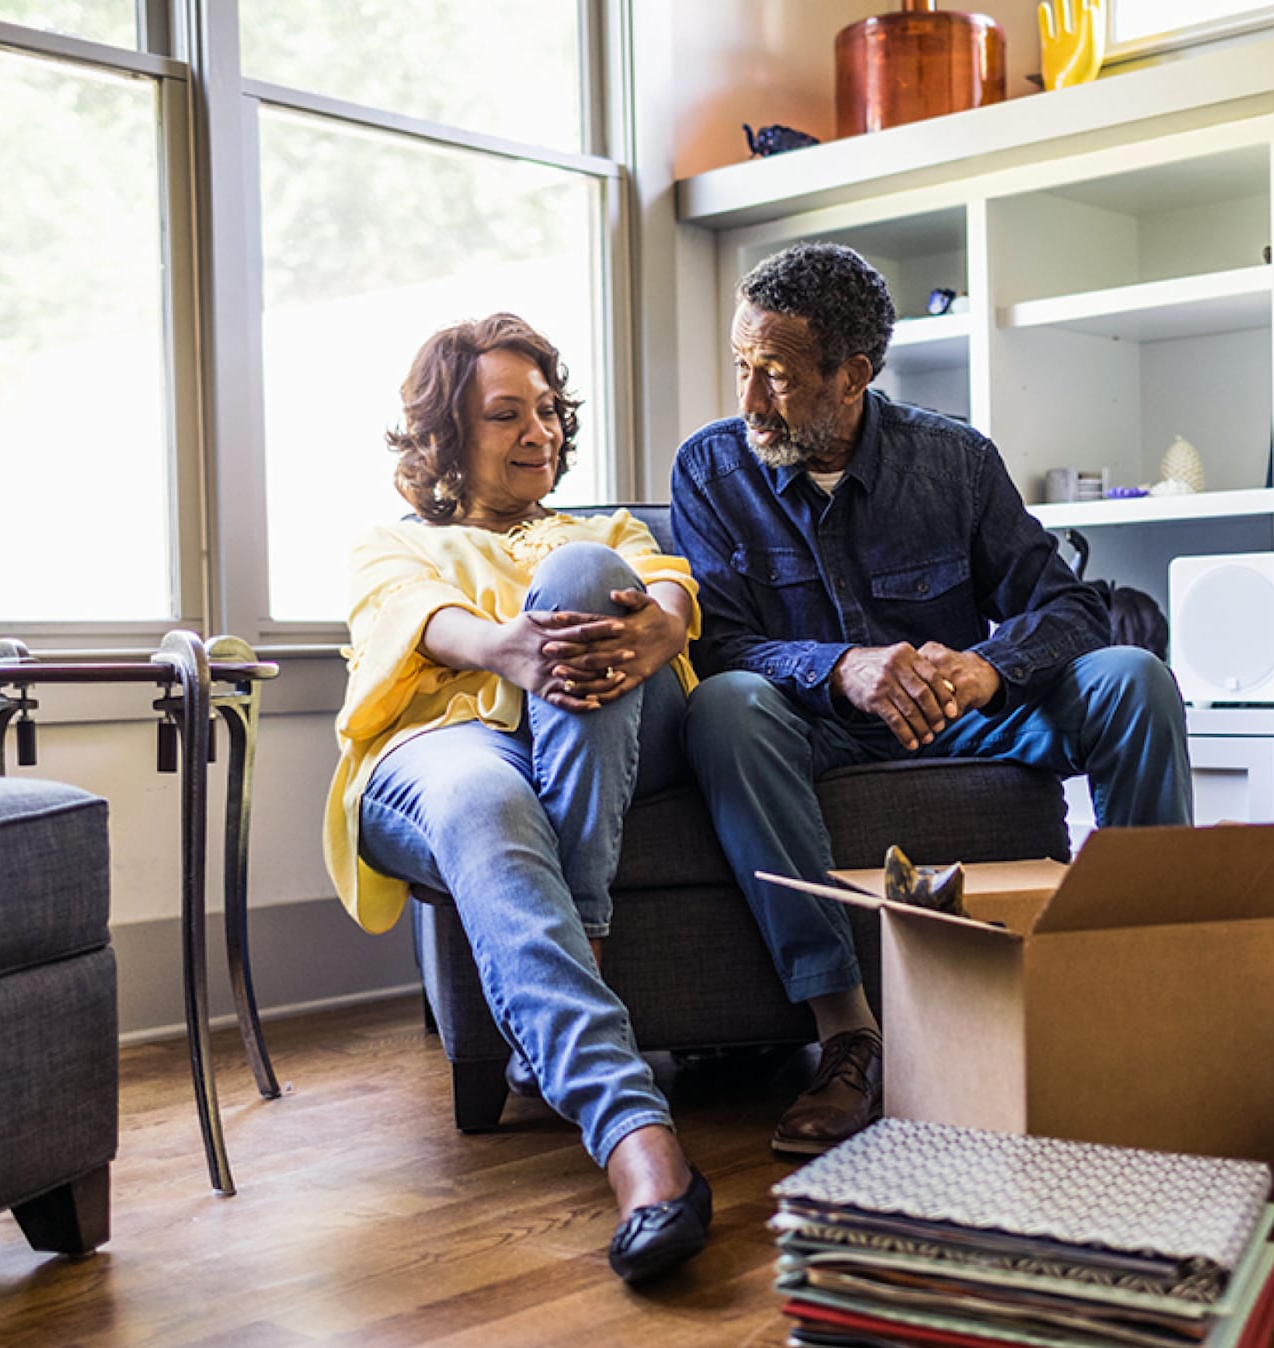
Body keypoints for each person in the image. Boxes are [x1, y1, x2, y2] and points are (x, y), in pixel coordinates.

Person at [671, 242, 1193, 1158]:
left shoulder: (954, 460)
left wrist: (993, 666)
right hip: (818, 727)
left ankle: (1143, 995)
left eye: (779, 377)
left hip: (970, 714)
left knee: (1134, 678)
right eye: (742, 369)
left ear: (854, 375)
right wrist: (844, 668)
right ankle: (847, 1036)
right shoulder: (711, 471)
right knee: (725, 705)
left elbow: (1071, 602)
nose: (750, 400)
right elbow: (721, 641)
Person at [323, 313, 710, 1283]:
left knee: (584, 573)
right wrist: (508, 648)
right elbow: (420, 618)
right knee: (485, 801)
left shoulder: (604, 533)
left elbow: (669, 595)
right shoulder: (391, 543)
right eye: (506, 414)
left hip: (604, 742)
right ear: (445, 435)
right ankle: (639, 1142)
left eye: (546, 409)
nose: (540, 430)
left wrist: (658, 623)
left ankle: (572, 943)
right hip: (442, 747)